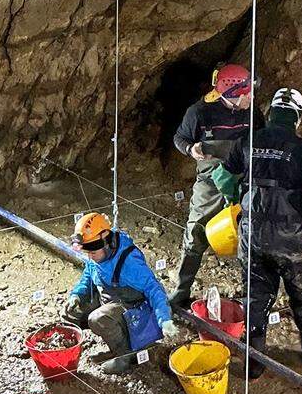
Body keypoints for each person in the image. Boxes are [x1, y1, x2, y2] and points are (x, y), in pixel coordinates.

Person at [212, 88, 302, 380]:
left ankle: (255, 362)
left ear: (271, 113)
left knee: (256, 293)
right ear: (297, 117)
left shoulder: (248, 140)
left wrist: (236, 198)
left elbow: (221, 177)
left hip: (254, 233)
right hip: (291, 236)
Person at [170, 64, 265, 309]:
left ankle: (251, 296)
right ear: (233, 94)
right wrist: (191, 149)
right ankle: (181, 291)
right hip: (210, 181)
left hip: (243, 180)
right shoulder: (199, 112)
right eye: (247, 92)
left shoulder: (253, 114)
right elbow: (180, 138)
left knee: (249, 236)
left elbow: (263, 140)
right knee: (196, 233)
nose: (252, 97)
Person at [62, 212, 177, 375]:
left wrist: (164, 319)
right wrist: (77, 295)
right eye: (87, 253)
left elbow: (154, 288)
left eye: (92, 253)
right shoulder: (96, 253)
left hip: (131, 307)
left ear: (106, 244)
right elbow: (88, 274)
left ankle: (125, 356)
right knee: (69, 313)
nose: (90, 256)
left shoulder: (129, 263)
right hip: (108, 298)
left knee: (98, 319)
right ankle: (115, 343)